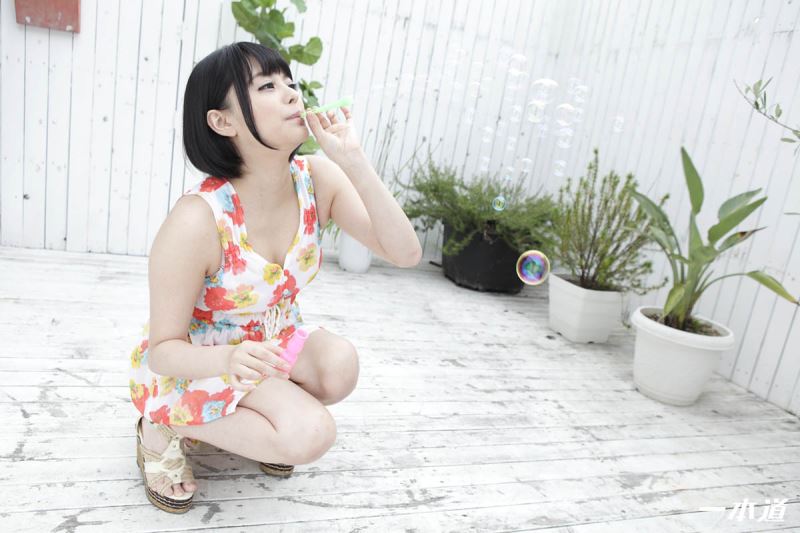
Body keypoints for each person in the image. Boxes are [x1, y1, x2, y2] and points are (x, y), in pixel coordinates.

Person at [128, 41, 422, 513]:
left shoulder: (317, 180)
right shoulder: (196, 220)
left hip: (269, 342)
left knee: (339, 366)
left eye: (290, 82)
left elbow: (406, 253)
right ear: (222, 121)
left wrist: (353, 159)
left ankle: (257, 421)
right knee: (311, 433)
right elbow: (163, 352)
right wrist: (228, 358)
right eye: (266, 86)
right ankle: (162, 424)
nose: (291, 94)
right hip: (199, 362)